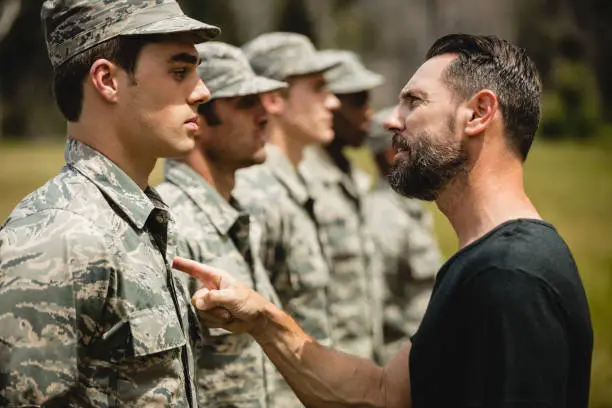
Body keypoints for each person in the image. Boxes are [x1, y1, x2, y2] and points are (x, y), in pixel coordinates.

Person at [175, 34, 594, 408]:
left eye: (413, 102)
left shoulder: (511, 277)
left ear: (478, 113)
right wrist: (264, 321)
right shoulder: (485, 263)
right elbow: (384, 394)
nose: (390, 120)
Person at [0, 1, 219, 406]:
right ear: (107, 80)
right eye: (179, 71)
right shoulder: (58, 239)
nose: (202, 91)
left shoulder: (140, 220)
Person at [156, 42, 289, 407]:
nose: (265, 115)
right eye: (245, 102)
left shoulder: (241, 214)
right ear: (198, 116)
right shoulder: (173, 226)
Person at [231, 31, 341, 406]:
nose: (333, 101)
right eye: (318, 87)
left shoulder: (298, 183)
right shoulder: (256, 194)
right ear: (275, 99)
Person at [299, 49, 386, 360]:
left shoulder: (356, 180)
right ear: (329, 103)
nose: (370, 114)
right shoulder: (301, 181)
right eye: (359, 101)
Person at [364, 106, 443, 361]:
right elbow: (375, 304)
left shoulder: (408, 206)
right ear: (392, 153)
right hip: (401, 361)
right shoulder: (382, 217)